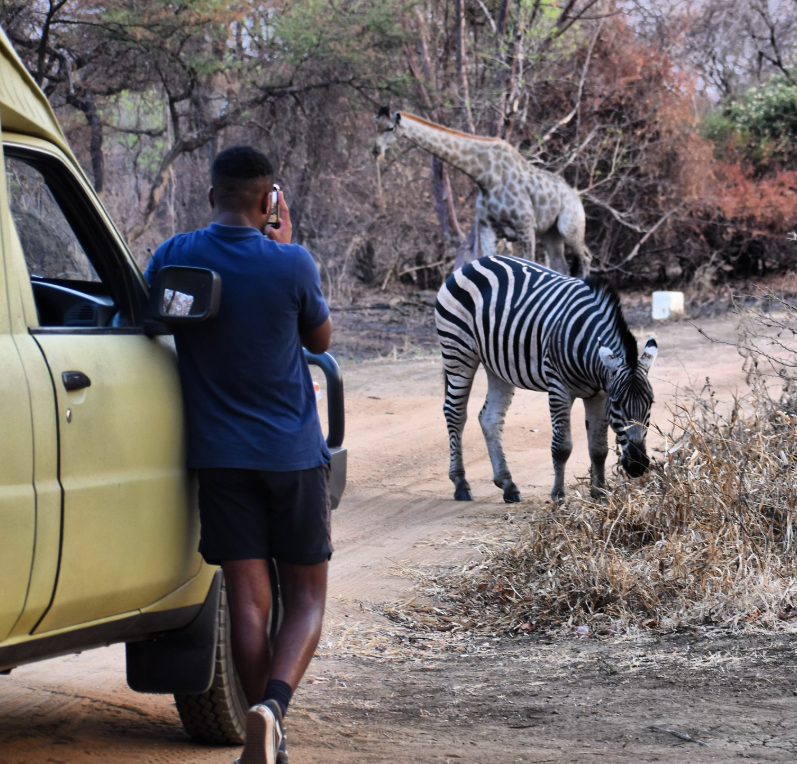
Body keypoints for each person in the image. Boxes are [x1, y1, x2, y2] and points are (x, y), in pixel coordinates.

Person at [144, 145, 333, 764]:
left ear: (209, 197)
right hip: (292, 457)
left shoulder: (173, 255)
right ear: (267, 198)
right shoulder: (292, 263)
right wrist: (282, 242)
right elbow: (320, 338)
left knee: (248, 599)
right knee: (305, 599)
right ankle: (271, 710)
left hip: (220, 459)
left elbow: (155, 320)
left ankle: (267, 741)